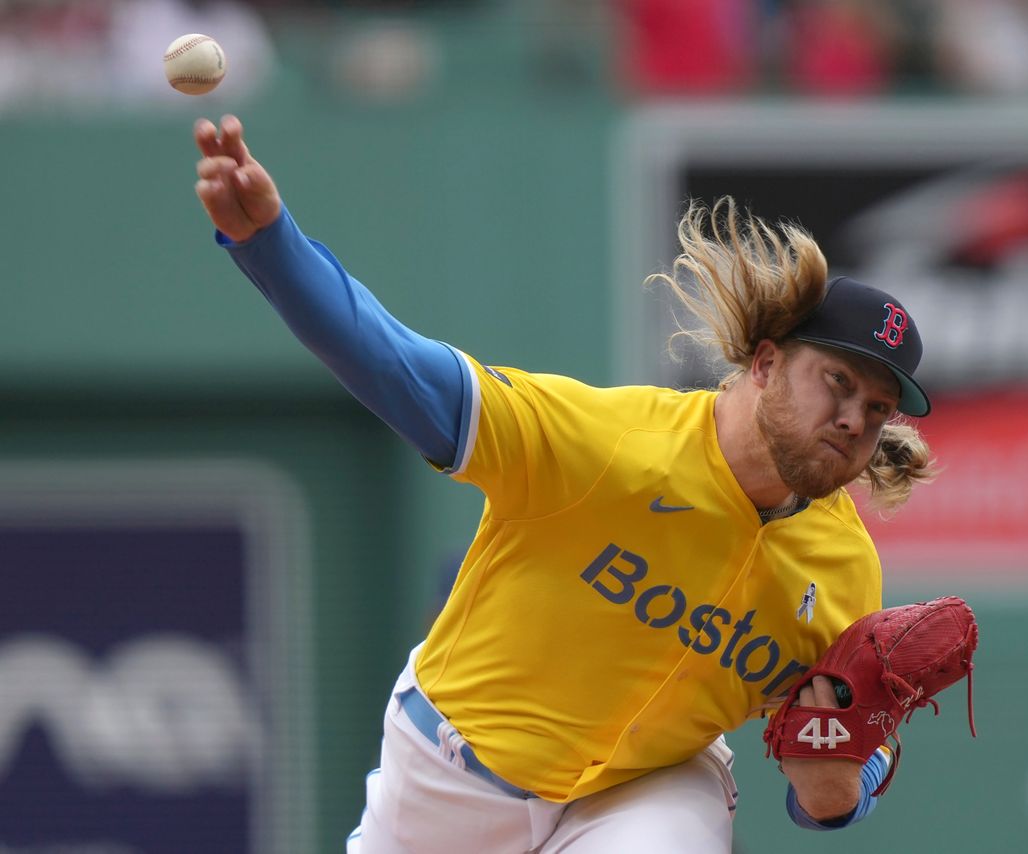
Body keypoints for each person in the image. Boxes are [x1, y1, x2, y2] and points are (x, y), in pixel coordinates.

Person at [192, 114, 936, 853]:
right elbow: (392, 363)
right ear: (767, 364)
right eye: (835, 382)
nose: (853, 421)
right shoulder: (603, 444)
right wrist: (270, 245)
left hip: (642, 790)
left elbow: (850, 748)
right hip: (450, 777)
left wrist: (843, 793)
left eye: (877, 409)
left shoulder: (842, 572)